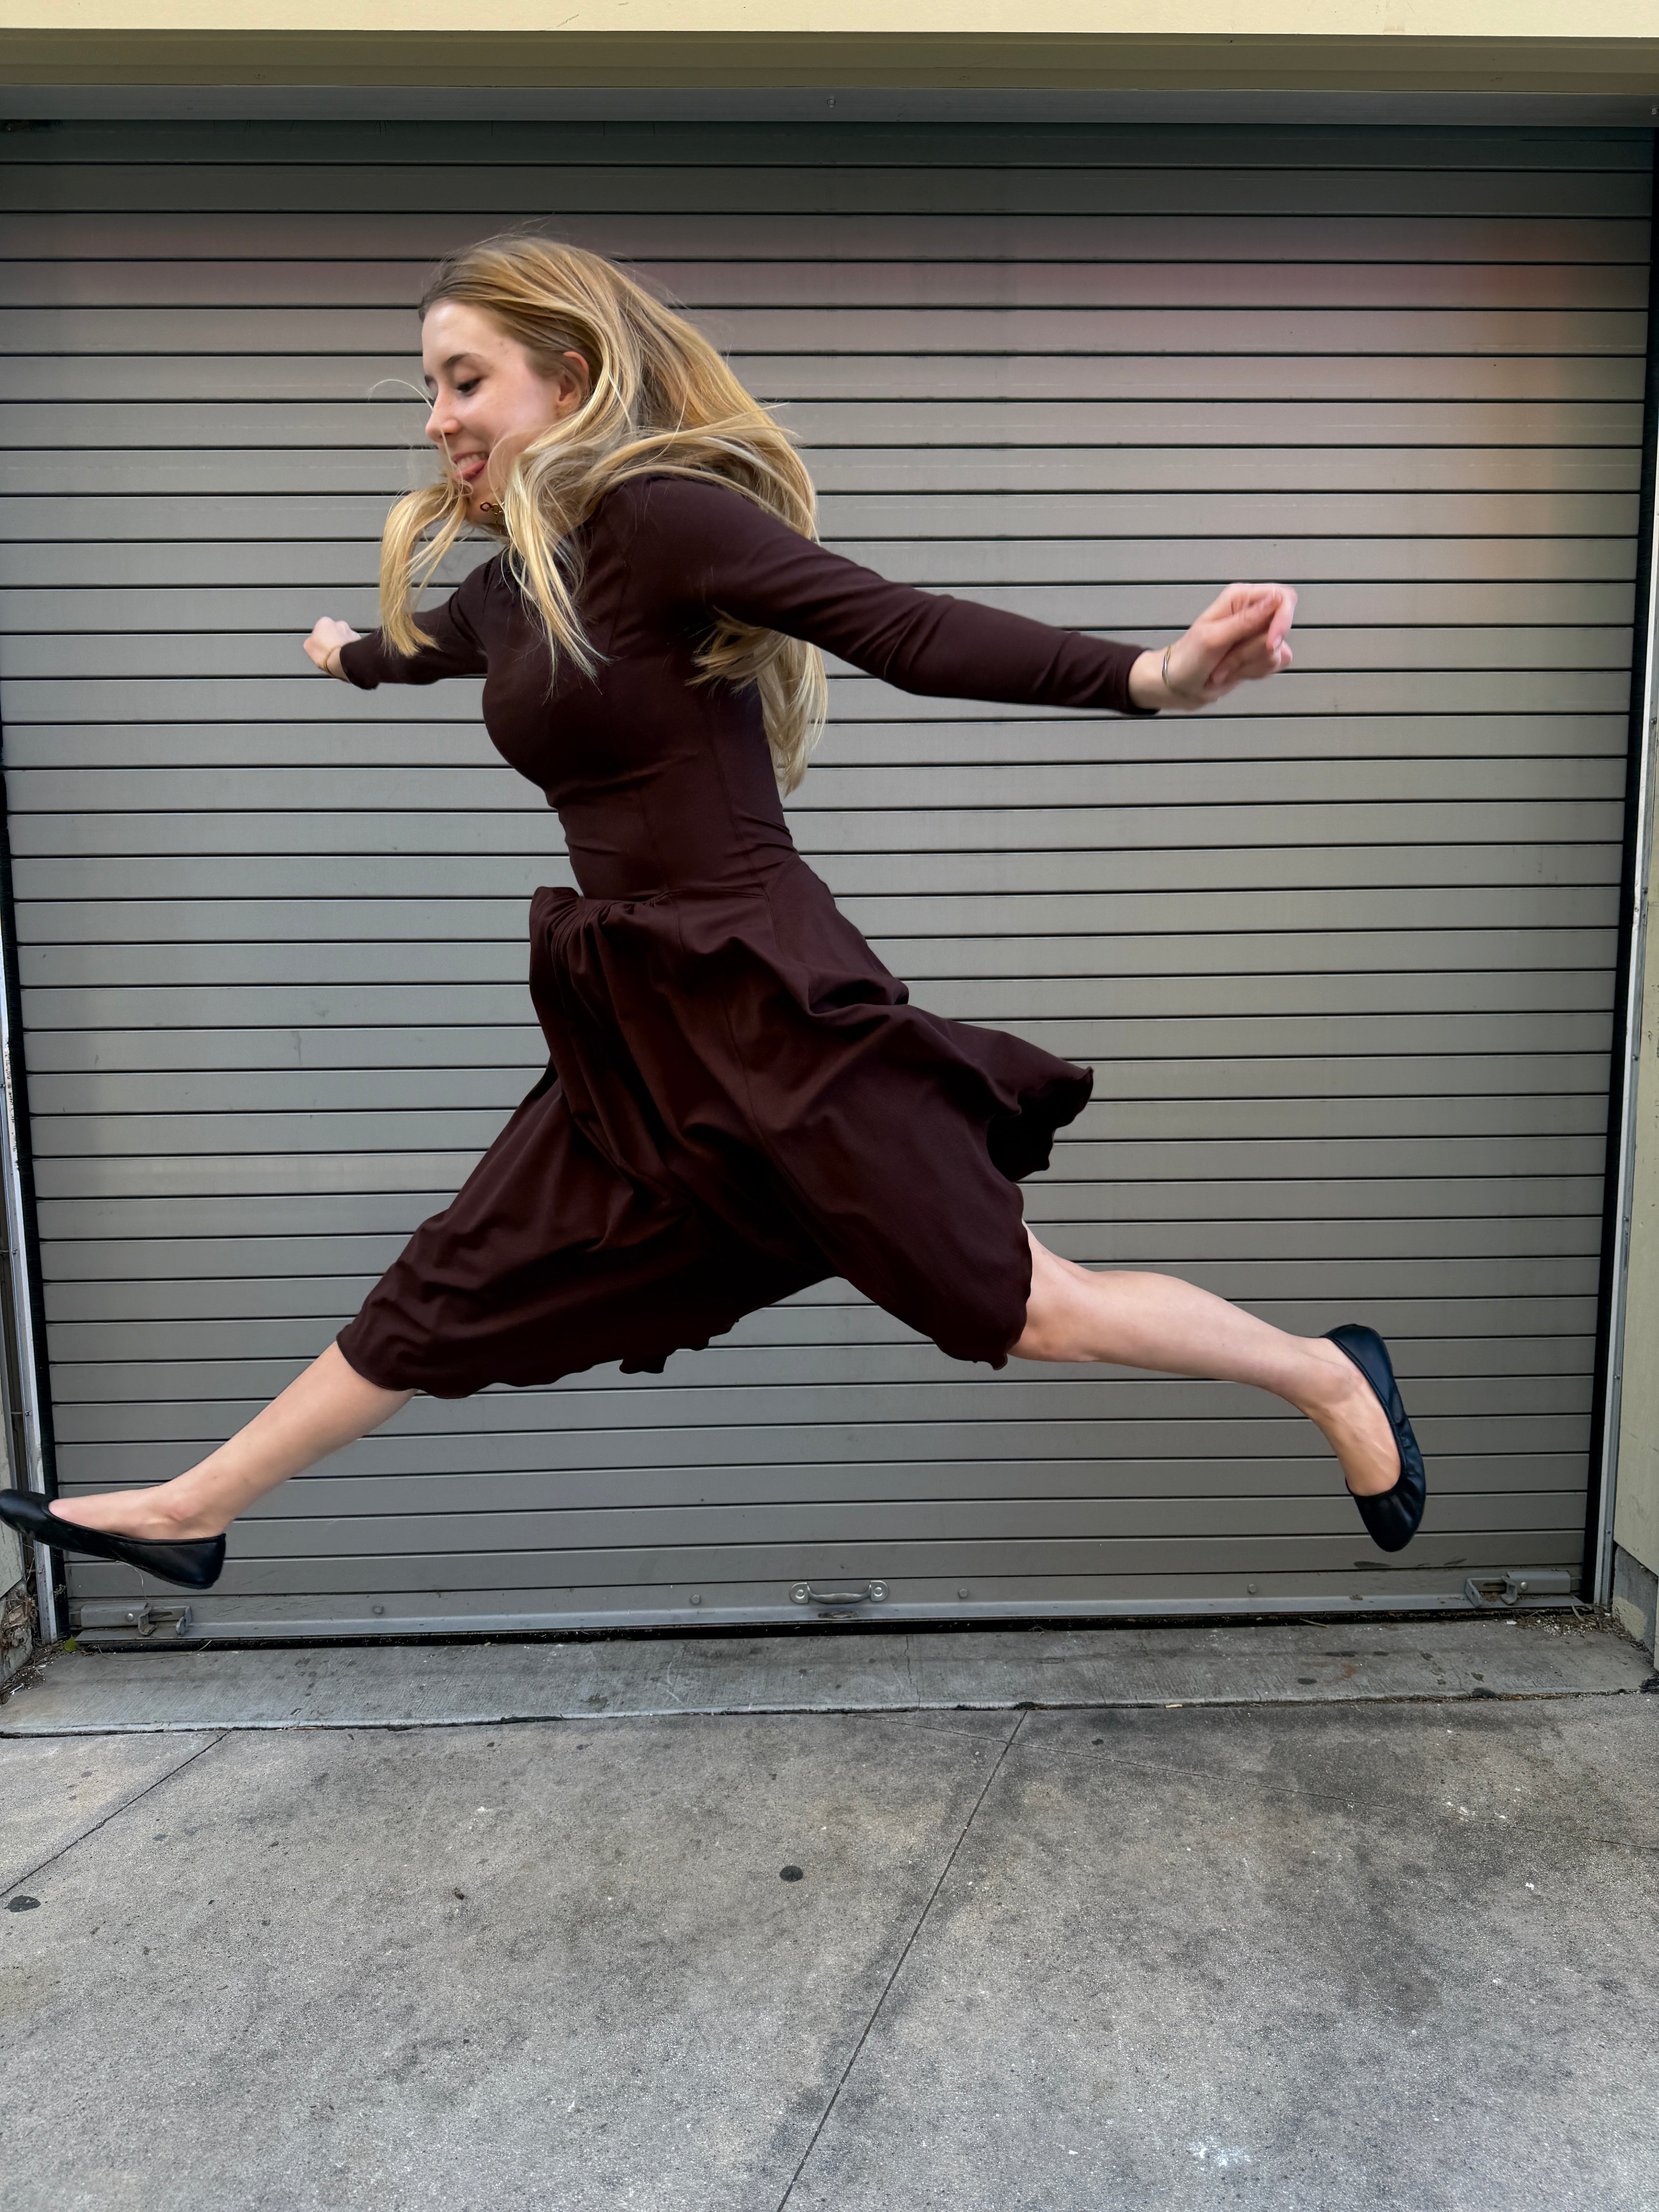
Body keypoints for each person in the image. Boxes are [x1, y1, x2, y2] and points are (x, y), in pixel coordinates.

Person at [0, 237, 1424, 1592]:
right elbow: (420, 647)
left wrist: (1156, 675)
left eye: (462, 378)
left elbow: (901, 629)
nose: (436, 418)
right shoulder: (519, 590)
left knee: (1026, 1307)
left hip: (762, 994)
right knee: (459, 1270)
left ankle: (1324, 1372)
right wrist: (341, 656)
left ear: (565, 374)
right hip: (633, 1013)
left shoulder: (663, 522)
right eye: (430, 386)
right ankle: (194, 1515)